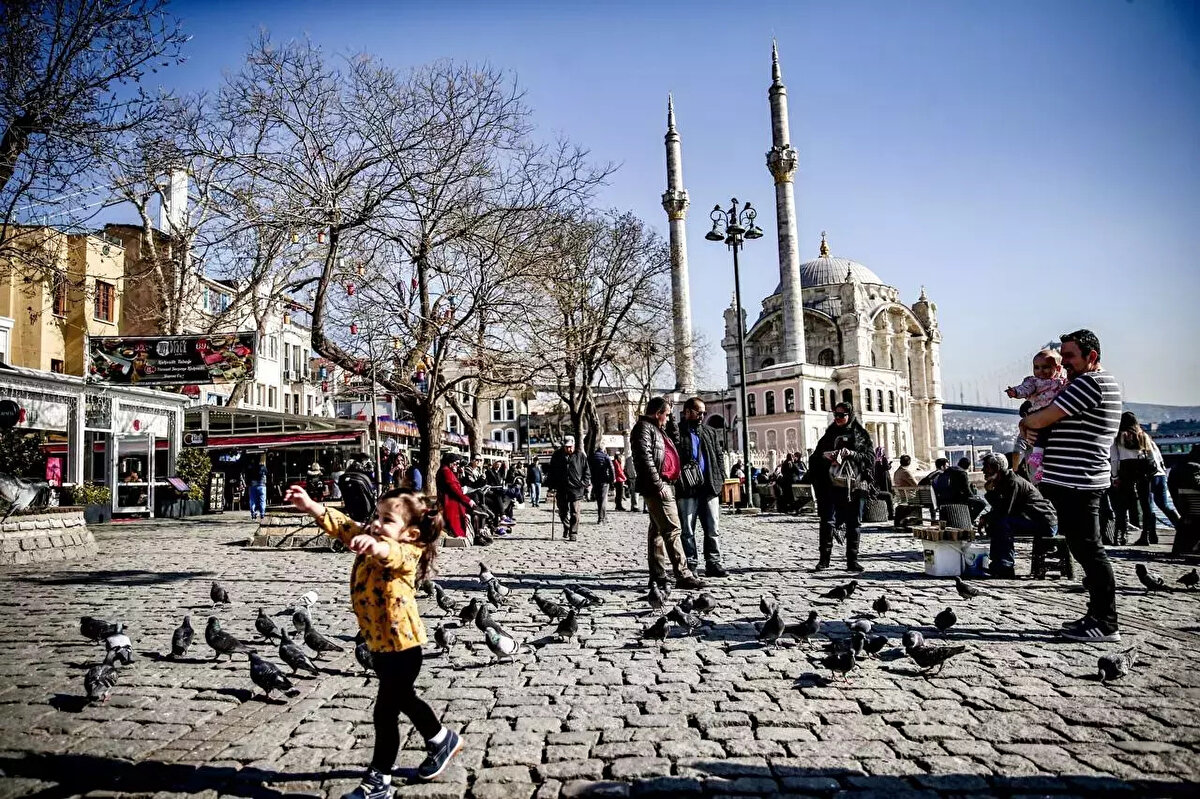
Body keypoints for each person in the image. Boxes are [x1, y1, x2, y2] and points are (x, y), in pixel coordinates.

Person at [283, 484, 462, 795]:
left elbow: (391, 554)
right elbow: (346, 527)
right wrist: (312, 507)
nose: (377, 524)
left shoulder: (407, 552)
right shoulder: (370, 537)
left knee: (385, 713)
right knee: (405, 699)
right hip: (379, 646)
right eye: (376, 516)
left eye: (387, 520)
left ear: (411, 534)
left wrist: (376, 546)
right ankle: (441, 739)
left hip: (404, 649)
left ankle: (379, 781)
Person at [1021, 329, 1122, 642]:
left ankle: (1105, 622)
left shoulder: (1090, 383)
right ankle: (1096, 616)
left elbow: (1040, 419)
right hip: (1075, 479)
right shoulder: (1086, 384)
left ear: (1091, 357)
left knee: (1090, 551)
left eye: (1068, 356)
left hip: (1079, 481)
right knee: (1084, 548)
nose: (1063, 362)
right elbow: (1043, 419)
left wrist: (1028, 423)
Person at [632, 396, 706, 591]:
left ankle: (658, 576)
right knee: (673, 529)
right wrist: (658, 484)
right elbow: (644, 458)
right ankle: (682, 574)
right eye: (665, 415)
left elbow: (676, 440)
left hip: (665, 483)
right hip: (658, 487)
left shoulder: (658, 429)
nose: (667, 418)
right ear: (657, 414)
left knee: (656, 532)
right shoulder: (644, 429)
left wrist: (672, 416)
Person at [807, 402, 875, 571]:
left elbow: (870, 458)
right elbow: (815, 457)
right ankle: (824, 560)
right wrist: (825, 455)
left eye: (841, 415)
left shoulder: (860, 434)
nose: (838, 418)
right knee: (827, 521)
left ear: (849, 415)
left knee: (854, 523)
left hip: (855, 485)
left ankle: (852, 560)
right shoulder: (829, 434)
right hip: (831, 484)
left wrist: (851, 454)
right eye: (835, 415)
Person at [978, 452, 1057, 578]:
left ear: (997, 468)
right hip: (1030, 519)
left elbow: (1004, 511)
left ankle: (1005, 566)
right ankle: (997, 564)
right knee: (996, 523)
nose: (983, 470)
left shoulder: (1012, 482)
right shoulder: (1003, 482)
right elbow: (1001, 509)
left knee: (1003, 523)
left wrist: (989, 493)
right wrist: (985, 518)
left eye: (986, 467)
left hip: (1044, 522)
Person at [674, 397, 728, 577]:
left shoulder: (710, 432)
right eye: (698, 412)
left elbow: (719, 456)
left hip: (710, 487)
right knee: (687, 529)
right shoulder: (677, 432)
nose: (702, 416)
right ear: (687, 412)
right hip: (688, 489)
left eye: (704, 412)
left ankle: (713, 562)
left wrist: (720, 478)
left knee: (713, 528)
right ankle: (691, 564)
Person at [1006, 348, 1068, 483]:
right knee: (1039, 436)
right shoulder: (1033, 382)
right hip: (1038, 414)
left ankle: (1040, 467)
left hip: (1052, 415)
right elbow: (1025, 389)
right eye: (1036, 367)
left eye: (1046, 367)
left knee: (1045, 436)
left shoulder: (1062, 382)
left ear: (1057, 368)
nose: (1040, 371)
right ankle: (1038, 467)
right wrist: (1015, 392)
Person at [1110, 412, 1158, 546]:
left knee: (1122, 505)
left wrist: (1115, 476)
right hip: (1142, 471)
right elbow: (1151, 457)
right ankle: (1145, 536)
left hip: (1125, 471)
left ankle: (1120, 536)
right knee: (1145, 504)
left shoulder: (1118, 437)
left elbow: (1114, 459)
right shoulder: (1143, 436)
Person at [547, 436, 589, 541]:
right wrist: (551, 486)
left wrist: (584, 483)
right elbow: (551, 471)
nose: (568, 449)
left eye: (570, 447)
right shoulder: (557, 455)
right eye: (566, 447)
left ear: (574, 445)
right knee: (562, 512)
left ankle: (573, 533)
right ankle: (567, 526)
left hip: (576, 488)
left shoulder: (580, 455)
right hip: (561, 488)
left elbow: (587, 471)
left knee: (575, 512)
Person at [1167, 444, 1200, 555]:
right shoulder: (1193, 468)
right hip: (1194, 510)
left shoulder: (1179, 466)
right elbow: (1196, 484)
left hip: (1185, 509)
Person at [935, 457, 987, 523]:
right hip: (955, 500)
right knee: (981, 503)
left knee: (970, 500)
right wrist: (974, 496)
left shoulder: (948, 470)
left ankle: (965, 519)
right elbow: (967, 491)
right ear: (968, 466)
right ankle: (969, 521)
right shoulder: (962, 473)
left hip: (943, 500)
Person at [435, 454, 474, 540]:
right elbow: (454, 489)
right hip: (449, 500)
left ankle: (480, 531)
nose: (457, 466)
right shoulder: (446, 471)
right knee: (475, 506)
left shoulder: (448, 470)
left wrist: (458, 472)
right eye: (455, 463)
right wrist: (468, 501)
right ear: (450, 463)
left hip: (452, 498)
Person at [589, 446, 614, 523]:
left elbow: (589, 468)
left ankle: (604, 516)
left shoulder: (592, 456)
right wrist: (612, 479)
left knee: (599, 499)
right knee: (603, 499)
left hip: (595, 480)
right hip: (604, 480)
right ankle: (601, 518)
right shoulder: (605, 456)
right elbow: (611, 468)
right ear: (603, 449)